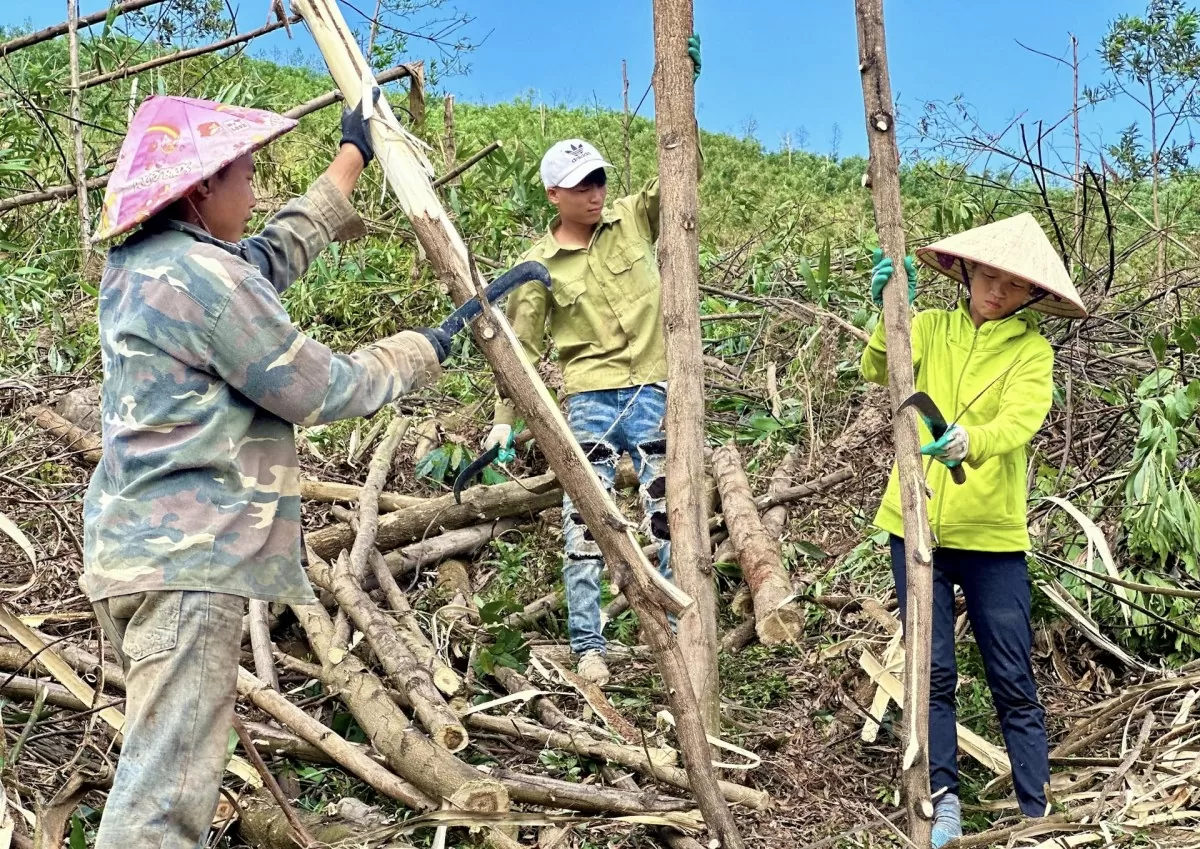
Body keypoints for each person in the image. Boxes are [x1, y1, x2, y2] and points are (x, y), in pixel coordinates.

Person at [83, 93, 451, 849]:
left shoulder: (143, 266)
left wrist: (350, 159)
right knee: (161, 806)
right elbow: (315, 386)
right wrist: (421, 351)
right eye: (245, 174)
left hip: (135, 558)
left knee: (159, 768)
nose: (254, 189)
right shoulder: (203, 280)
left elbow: (266, 257)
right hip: (187, 567)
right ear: (200, 189)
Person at [861, 213, 1088, 846]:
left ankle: (1037, 812)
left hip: (993, 536)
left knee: (1013, 675)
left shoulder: (1031, 351)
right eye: (988, 276)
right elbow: (878, 369)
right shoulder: (929, 328)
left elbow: (1021, 421)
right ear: (964, 271)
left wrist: (971, 441)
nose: (997, 292)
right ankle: (944, 802)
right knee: (931, 672)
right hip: (916, 524)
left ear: (1033, 297)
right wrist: (890, 309)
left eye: (1014, 287)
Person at [484, 37, 701, 686]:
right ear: (554, 193)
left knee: (670, 514)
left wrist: (684, 89)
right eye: (581, 185)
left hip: (658, 388)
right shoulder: (537, 266)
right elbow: (518, 348)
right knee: (588, 523)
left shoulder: (634, 219)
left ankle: (675, 635)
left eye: (600, 179)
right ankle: (589, 644)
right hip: (591, 399)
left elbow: (683, 174)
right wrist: (505, 417)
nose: (596, 192)